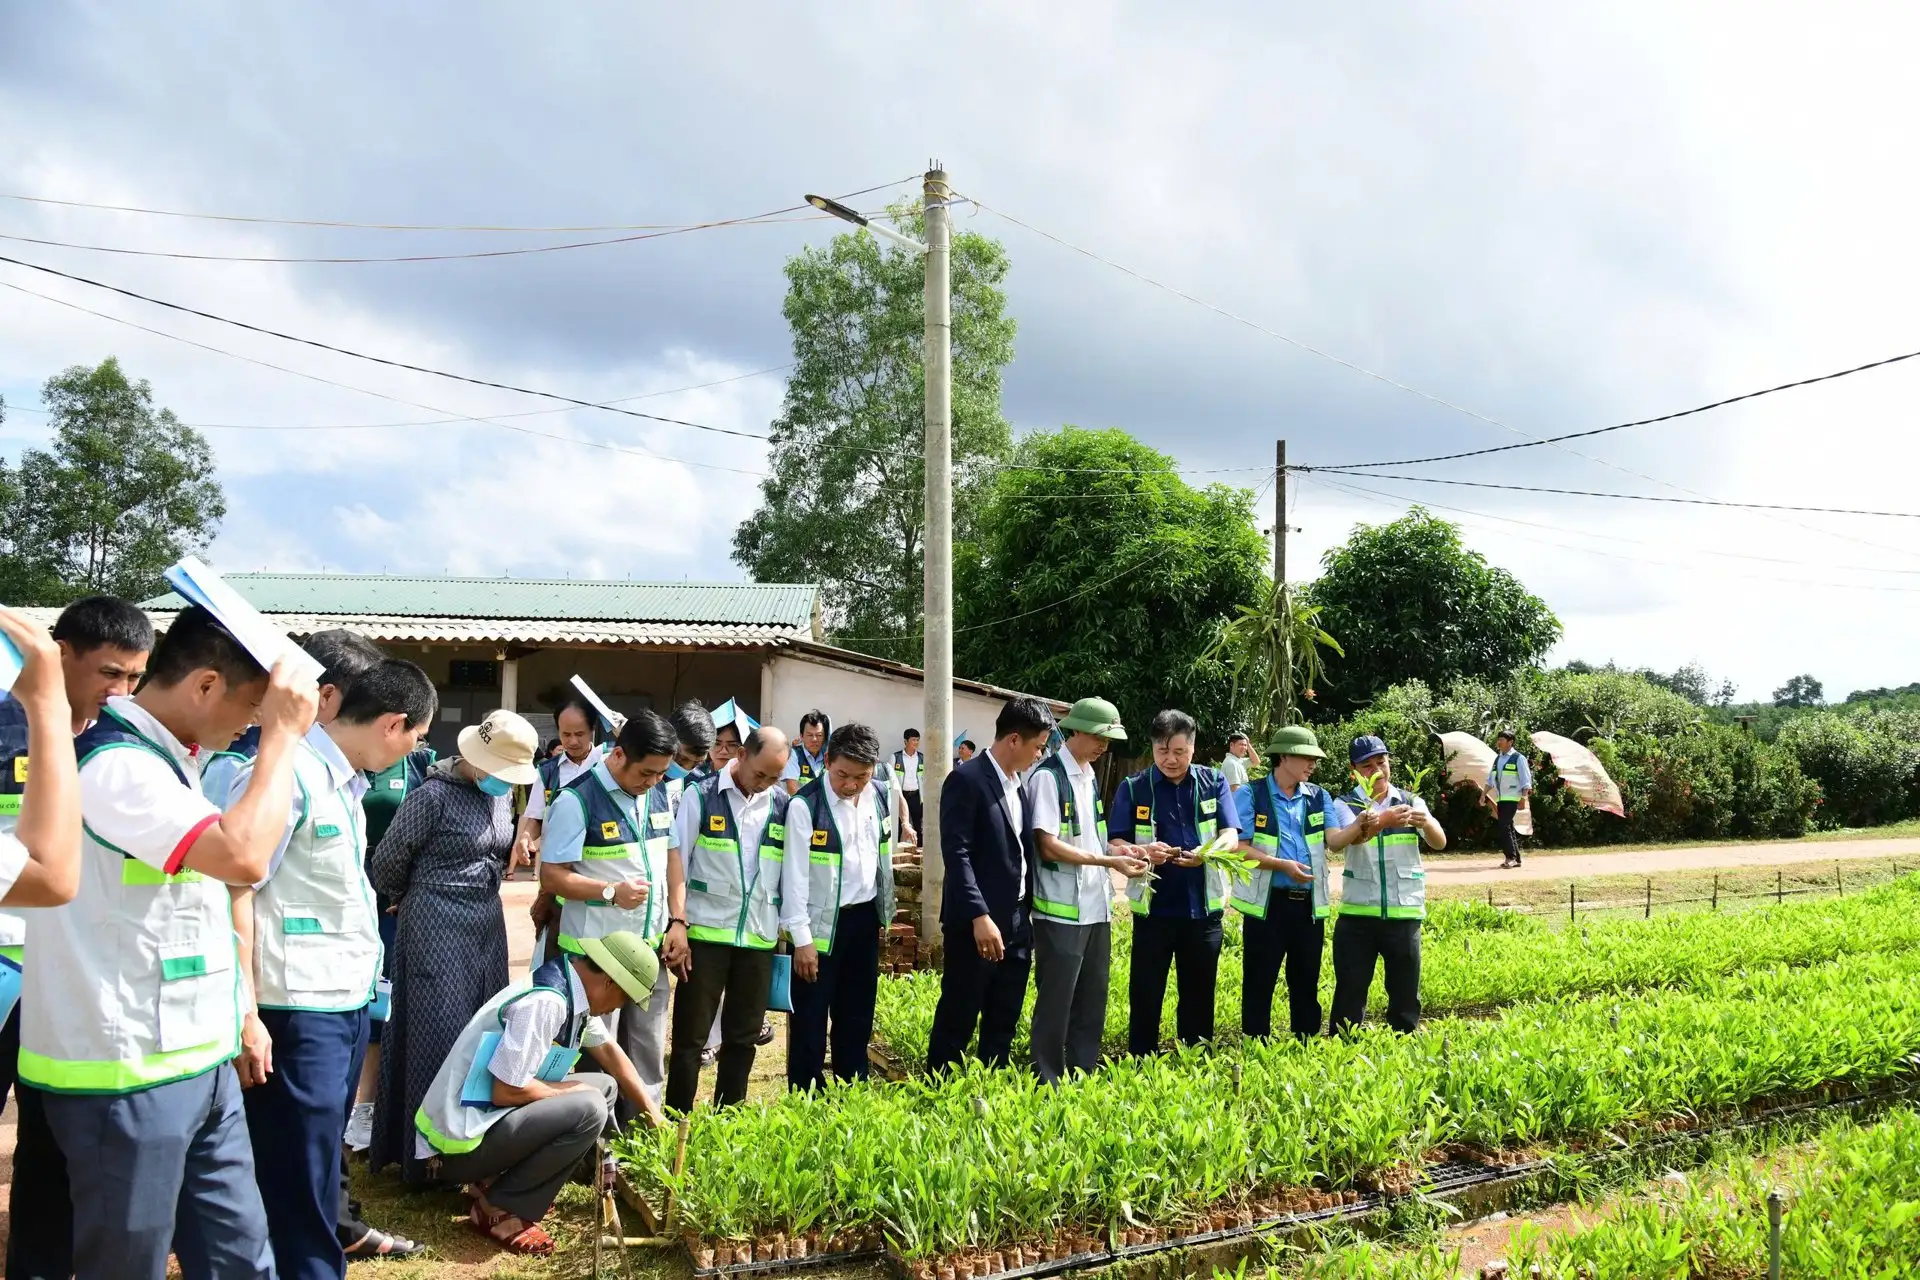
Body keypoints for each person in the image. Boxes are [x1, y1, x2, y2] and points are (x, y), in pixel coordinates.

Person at [12, 605, 318, 1279]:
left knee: (242, 1261)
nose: (253, 724)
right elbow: (242, 856)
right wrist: (284, 740)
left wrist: (240, 1013)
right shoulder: (116, 768)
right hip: (125, 1074)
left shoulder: (168, 759)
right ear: (205, 685)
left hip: (194, 1058)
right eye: (252, 707)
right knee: (126, 1266)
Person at [229, 655, 437, 1279]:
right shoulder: (285, 775)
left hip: (338, 1003)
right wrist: (244, 1010)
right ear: (394, 724)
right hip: (293, 1009)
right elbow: (235, 888)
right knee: (297, 1170)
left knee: (318, 1163)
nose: (411, 754)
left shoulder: (340, 781)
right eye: (417, 740)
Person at [0, 598, 148, 1280]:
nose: (119, 692)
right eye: (109, 674)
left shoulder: (123, 742)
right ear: (59, 655)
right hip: (5, 957)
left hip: (71, 967)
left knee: (49, 1139)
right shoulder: (12, 721)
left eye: (133, 679)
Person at [415, 930, 664, 1257]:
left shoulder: (572, 988)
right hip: (453, 1150)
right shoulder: (548, 1001)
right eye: (625, 999)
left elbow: (611, 1054)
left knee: (604, 1088)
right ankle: (501, 1209)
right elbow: (505, 1090)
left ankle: (492, 1183)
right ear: (611, 984)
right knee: (590, 1106)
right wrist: (572, 1088)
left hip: (482, 1125)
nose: (618, 1008)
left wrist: (652, 1112)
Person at [367, 708, 537, 1185]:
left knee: (482, 1029)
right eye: (502, 772)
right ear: (477, 761)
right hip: (434, 923)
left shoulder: (498, 799)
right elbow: (387, 861)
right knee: (436, 1034)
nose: (506, 783)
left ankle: (474, 1146)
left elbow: (497, 847)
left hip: (486, 924)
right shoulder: (432, 797)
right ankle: (427, 1157)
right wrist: (405, 897)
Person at [538, 708, 684, 1125]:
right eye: (647, 772)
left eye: (661, 773)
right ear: (619, 755)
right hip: (594, 958)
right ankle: (595, 1141)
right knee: (596, 1054)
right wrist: (609, 892)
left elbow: (671, 858)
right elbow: (552, 875)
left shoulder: (657, 793)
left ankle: (643, 1134)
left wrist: (677, 920)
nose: (653, 781)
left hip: (648, 948)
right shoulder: (576, 799)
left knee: (648, 1048)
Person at [665, 726, 792, 1111]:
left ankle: (728, 1119)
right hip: (705, 937)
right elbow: (678, 862)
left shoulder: (782, 806)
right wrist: (678, 922)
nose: (766, 783)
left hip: (757, 939)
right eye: (760, 774)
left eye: (774, 777)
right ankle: (676, 1118)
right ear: (740, 755)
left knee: (744, 1036)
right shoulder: (701, 796)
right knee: (691, 1039)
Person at [927, 698, 1055, 1073]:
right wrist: (979, 915)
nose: (1040, 754)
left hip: (1016, 921)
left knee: (1004, 1016)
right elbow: (958, 853)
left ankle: (990, 1089)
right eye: (1038, 746)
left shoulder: (1018, 784)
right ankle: (940, 1093)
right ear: (1014, 739)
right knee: (959, 1015)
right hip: (976, 925)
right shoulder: (966, 780)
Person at [1027, 697, 1146, 1083]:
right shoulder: (1049, 777)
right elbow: (1047, 844)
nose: (1103, 747)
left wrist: (1126, 850)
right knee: (1056, 1001)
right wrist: (1109, 863)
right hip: (1060, 910)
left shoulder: (1089, 774)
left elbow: (1095, 838)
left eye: (1108, 740)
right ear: (1075, 730)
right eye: (1098, 737)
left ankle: (1082, 1072)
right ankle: (1048, 1077)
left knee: (1092, 997)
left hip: (1096, 907)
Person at [1109, 709, 1239, 1055]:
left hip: (1203, 911)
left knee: (1199, 993)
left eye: (1179, 752)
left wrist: (1206, 853)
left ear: (1192, 749)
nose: (1171, 759)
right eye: (1163, 752)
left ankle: (1195, 1059)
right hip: (1155, 912)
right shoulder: (1135, 788)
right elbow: (1114, 842)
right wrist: (1143, 850)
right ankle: (1141, 1060)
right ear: (1152, 749)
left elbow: (1230, 835)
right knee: (1146, 992)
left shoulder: (1214, 782)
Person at [1232, 725, 1367, 1041]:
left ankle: (1305, 1042)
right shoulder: (1252, 794)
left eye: (1314, 759)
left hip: (1307, 905)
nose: (1312, 765)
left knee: (1306, 978)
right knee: (1259, 979)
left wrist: (1360, 826)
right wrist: (1281, 865)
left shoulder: (1319, 796)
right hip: (1267, 904)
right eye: (1306, 757)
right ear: (1283, 756)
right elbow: (1239, 847)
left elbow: (1334, 841)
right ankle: (1256, 1043)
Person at [781, 722, 894, 1090]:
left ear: (873, 769)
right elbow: (794, 878)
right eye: (843, 774)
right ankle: (807, 1095)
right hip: (819, 928)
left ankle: (852, 1088)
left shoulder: (878, 795)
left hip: (864, 920)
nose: (850, 785)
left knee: (857, 1013)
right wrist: (802, 940)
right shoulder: (805, 805)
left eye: (860, 776)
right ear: (827, 760)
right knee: (811, 1019)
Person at [342, 730, 435, 1156]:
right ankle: (353, 1103)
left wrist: (406, 889)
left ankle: (379, 1105)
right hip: (350, 892)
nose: (418, 738)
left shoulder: (418, 766)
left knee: (389, 999)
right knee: (351, 995)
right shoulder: (348, 763)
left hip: (397, 902)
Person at [1329, 735, 1448, 1035]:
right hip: (1358, 915)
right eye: (1367, 766)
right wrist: (1382, 820)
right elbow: (1347, 840)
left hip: (1403, 913)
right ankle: (1344, 1055)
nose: (1377, 771)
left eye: (1381, 762)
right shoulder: (1344, 803)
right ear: (1353, 770)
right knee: (1350, 994)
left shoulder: (1410, 801)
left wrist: (1426, 823)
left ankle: (1403, 1051)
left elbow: (1439, 842)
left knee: (1406, 995)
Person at [514, 699, 603, 872]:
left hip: (598, 863)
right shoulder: (547, 771)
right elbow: (537, 817)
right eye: (566, 734)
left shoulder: (607, 763)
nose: (572, 741)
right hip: (557, 864)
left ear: (592, 729)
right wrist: (526, 837)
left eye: (579, 734)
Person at [1488, 730, 1533, 868]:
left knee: (1503, 826)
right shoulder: (1498, 759)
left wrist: (1523, 798)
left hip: (1513, 798)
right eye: (1499, 739)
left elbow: (1526, 781)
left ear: (1510, 742)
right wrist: (1484, 794)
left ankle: (1510, 857)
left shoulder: (1518, 758)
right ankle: (1516, 858)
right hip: (1501, 799)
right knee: (1508, 826)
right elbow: (1490, 780)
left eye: (1502, 739)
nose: (1499, 742)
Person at [781, 708, 829, 795]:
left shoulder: (828, 758)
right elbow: (792, 791)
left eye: (819, 735)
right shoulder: (794, 755)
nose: (814, 739)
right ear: (801, 736)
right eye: (810, 735)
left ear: (824, 737)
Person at [893, 728, 924, 838]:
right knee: (899, 823)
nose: (916, 742)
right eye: (913, 740)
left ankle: (920, 850)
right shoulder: (896, 757)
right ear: (906, 741)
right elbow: (890, 778)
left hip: (916, 795)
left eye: (917, 740)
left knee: (918, 825)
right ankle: (896, 848)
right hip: (901, 796)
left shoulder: (921, 758)